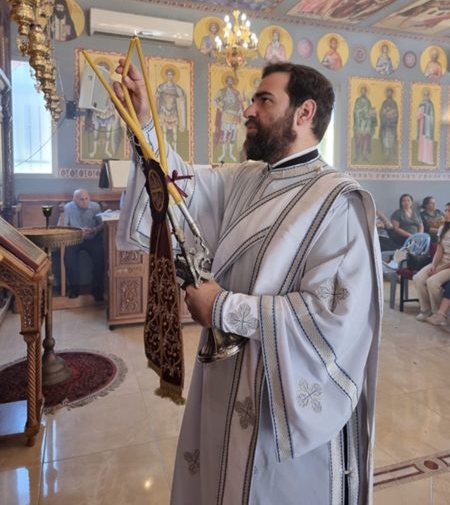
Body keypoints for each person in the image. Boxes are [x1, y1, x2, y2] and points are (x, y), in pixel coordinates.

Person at [114, 60, 382, 504]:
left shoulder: (337, 201)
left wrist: (222, 308)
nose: (248, 110)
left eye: (264, 100)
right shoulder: (245, 178)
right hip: (225, 378)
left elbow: (333, 320)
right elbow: (179, 187)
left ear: (304, 112)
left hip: (279, 403)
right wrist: (143, 120)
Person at [63, 189, 105, 301]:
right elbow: (63, 226)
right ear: (75, 200)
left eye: (87, 199)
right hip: (75, 238)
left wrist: (94, 229)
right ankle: (73, 289)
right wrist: (78, 231)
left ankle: (97, 290)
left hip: (92, 237)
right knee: (69, 258)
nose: (85, 202)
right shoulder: (68, 208)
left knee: (100, 257)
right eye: (81, 199)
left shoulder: (95, 207)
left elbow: (103, 225)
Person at [414, 202, 450, 322]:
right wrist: (434, 265)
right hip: (441, 262)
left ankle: (438, 314)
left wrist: (438, 270)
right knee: (418, 278)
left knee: (432, 282)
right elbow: (439, 250)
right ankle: (425, 310)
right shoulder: (443, 228)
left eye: (449, 211)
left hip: (448, 266)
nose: (446, 213)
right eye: (445, 210)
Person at [213, 74, 244, 162]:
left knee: (233, 135)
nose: (230, 82)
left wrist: (240, 110)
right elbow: (215, 100)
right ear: (226, 82)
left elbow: (240, 102)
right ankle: (223, 154)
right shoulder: (222, 91)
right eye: (229, 81)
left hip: (235, 115)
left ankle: (230, 154)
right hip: (226, 114)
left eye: (231, 81)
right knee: (225, 134)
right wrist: (220, 107)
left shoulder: (236, 92)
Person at [155, 67, 186, 153]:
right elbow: (157, 95)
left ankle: (175, 150)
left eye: (171, 75)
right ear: (166, 75)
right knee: (164, 131)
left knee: (174, 131)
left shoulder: (176, 88)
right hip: (164, 111)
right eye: (168, 75)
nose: (169, 76)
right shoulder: (162, 86)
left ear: (173, 76)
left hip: (173, 112)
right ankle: (165, 149)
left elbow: (181, 96)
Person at [353, 85, 377, 162]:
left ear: (366, 92)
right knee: (358, 141)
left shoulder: (368, 101)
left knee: (366, 141)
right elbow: (356, 111)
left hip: (366, 124)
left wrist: (372, 113)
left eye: (364, 91)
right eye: (362, 91)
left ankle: (365, 156)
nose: (363, 92)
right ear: (360, 92)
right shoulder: (358, 100)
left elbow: (369, 111)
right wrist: (361, 111)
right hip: (359, 124)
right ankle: (357, 155)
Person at [379, 87, 399, 161]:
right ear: (386, 94)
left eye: (390, 93)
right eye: (388, 93)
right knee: (385, 139)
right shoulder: (384, 103)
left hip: (392, 124)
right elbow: (381, 113)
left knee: (391, 139)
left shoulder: (394, 103)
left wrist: (392, 115)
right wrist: (385, 113)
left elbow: (396, 114)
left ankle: (391, 153)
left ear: (392, 94)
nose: (389, 94)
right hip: (385, 124)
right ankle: (387, 154)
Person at [416, 89, 435, 165]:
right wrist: (419, 115)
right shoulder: (421, 104)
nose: (425, 96)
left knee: (427, 143)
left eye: (427, 95)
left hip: (428, 129)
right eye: (424, 95)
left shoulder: (430, 105)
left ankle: (427, 159)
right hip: (421, 127)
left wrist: (425, 116)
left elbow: (432, 117)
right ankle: (422, 159)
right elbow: (418, 116)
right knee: (422, 142)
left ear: (429, 96)